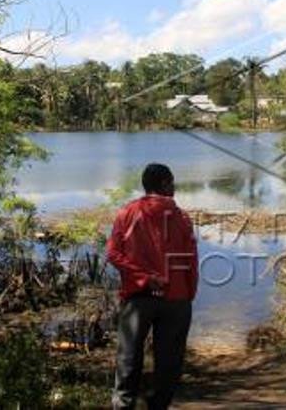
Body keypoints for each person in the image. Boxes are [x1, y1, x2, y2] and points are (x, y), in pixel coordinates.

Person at [107, 163, 198, 410]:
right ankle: (157, 405)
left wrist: (143, 277)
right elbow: (191, 260)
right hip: (176, 299)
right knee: (169, 364)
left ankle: (123, 406)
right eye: (172, 182)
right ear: (166, 184)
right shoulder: (182, 218)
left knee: (128, 359)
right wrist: (189, 294)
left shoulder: (127, 213)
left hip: (138, 298)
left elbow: (113, 254)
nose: (175, 187)